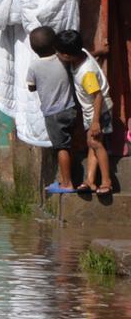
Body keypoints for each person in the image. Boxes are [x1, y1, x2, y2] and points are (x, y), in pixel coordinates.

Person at [57, 29, 114, 195]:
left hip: (98, 112)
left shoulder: (86, 73)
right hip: (92, 112)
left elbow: (97, 96)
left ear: (67, 55)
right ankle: (89, 181)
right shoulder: (80, 54)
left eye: (59, 53)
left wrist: (95, 122)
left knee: (95, 143)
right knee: (92, 144)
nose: (58, 55)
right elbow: (88, 53)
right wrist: (100, 52)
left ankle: (106, 181)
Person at [25, 24, 78, 192]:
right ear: (55, 44)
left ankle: (67, 183)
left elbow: (31, 87)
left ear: (33, 49)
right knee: (69, 144)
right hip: (71, 108)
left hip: (53, 114)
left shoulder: (34, 66)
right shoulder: (62, 59)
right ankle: (68, 178)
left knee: (61, 147)